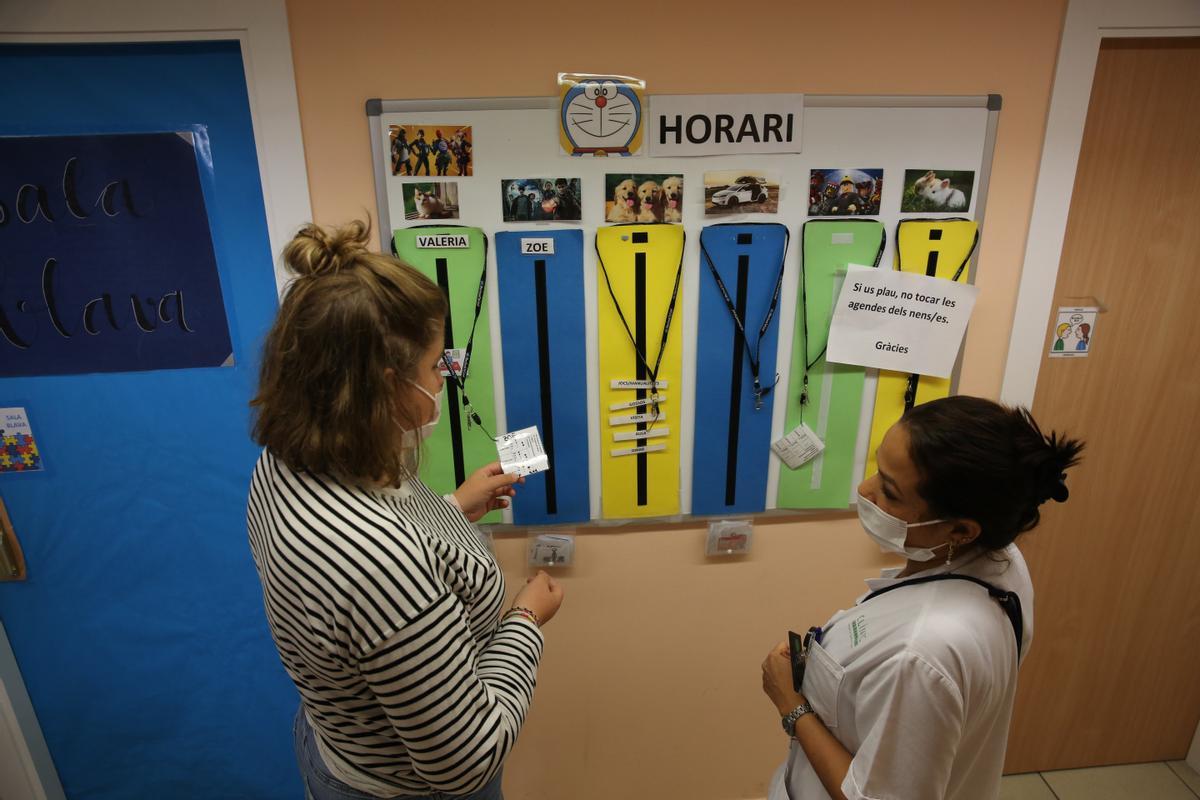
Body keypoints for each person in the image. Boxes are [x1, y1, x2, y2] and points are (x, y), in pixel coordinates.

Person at [247, 220, 564, 800]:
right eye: (433, 366)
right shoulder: (377, 564)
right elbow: (464, 762)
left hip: (340, 745)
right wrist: (525, 623)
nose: (441, 381)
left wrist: (452, 508)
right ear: (390, 386)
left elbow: (380, 543)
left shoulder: (291, 460)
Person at [761, 395, 1083, 800]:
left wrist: (793, 706)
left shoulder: (919, 653)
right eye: (877, 468)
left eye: (891, 492)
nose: (865, 489)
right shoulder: (1003, 563)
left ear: (961, 531)